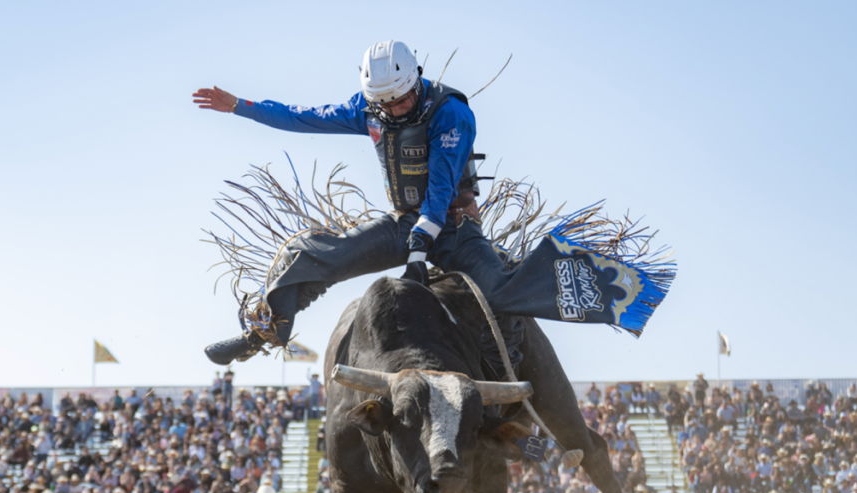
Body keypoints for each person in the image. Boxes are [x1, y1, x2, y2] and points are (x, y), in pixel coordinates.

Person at [195, 40, 672, 374]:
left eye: (399, 102)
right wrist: (242, 105)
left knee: (500, 294)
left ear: (415, 81)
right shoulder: (370, 109)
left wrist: (424, 243)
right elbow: (306, 118)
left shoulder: (451, 112)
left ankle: (512, 384)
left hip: (455, 230)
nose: (393, 110)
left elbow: (441, 187)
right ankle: (264, 333)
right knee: (311, 253)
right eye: (383, 104)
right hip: (403, 223)